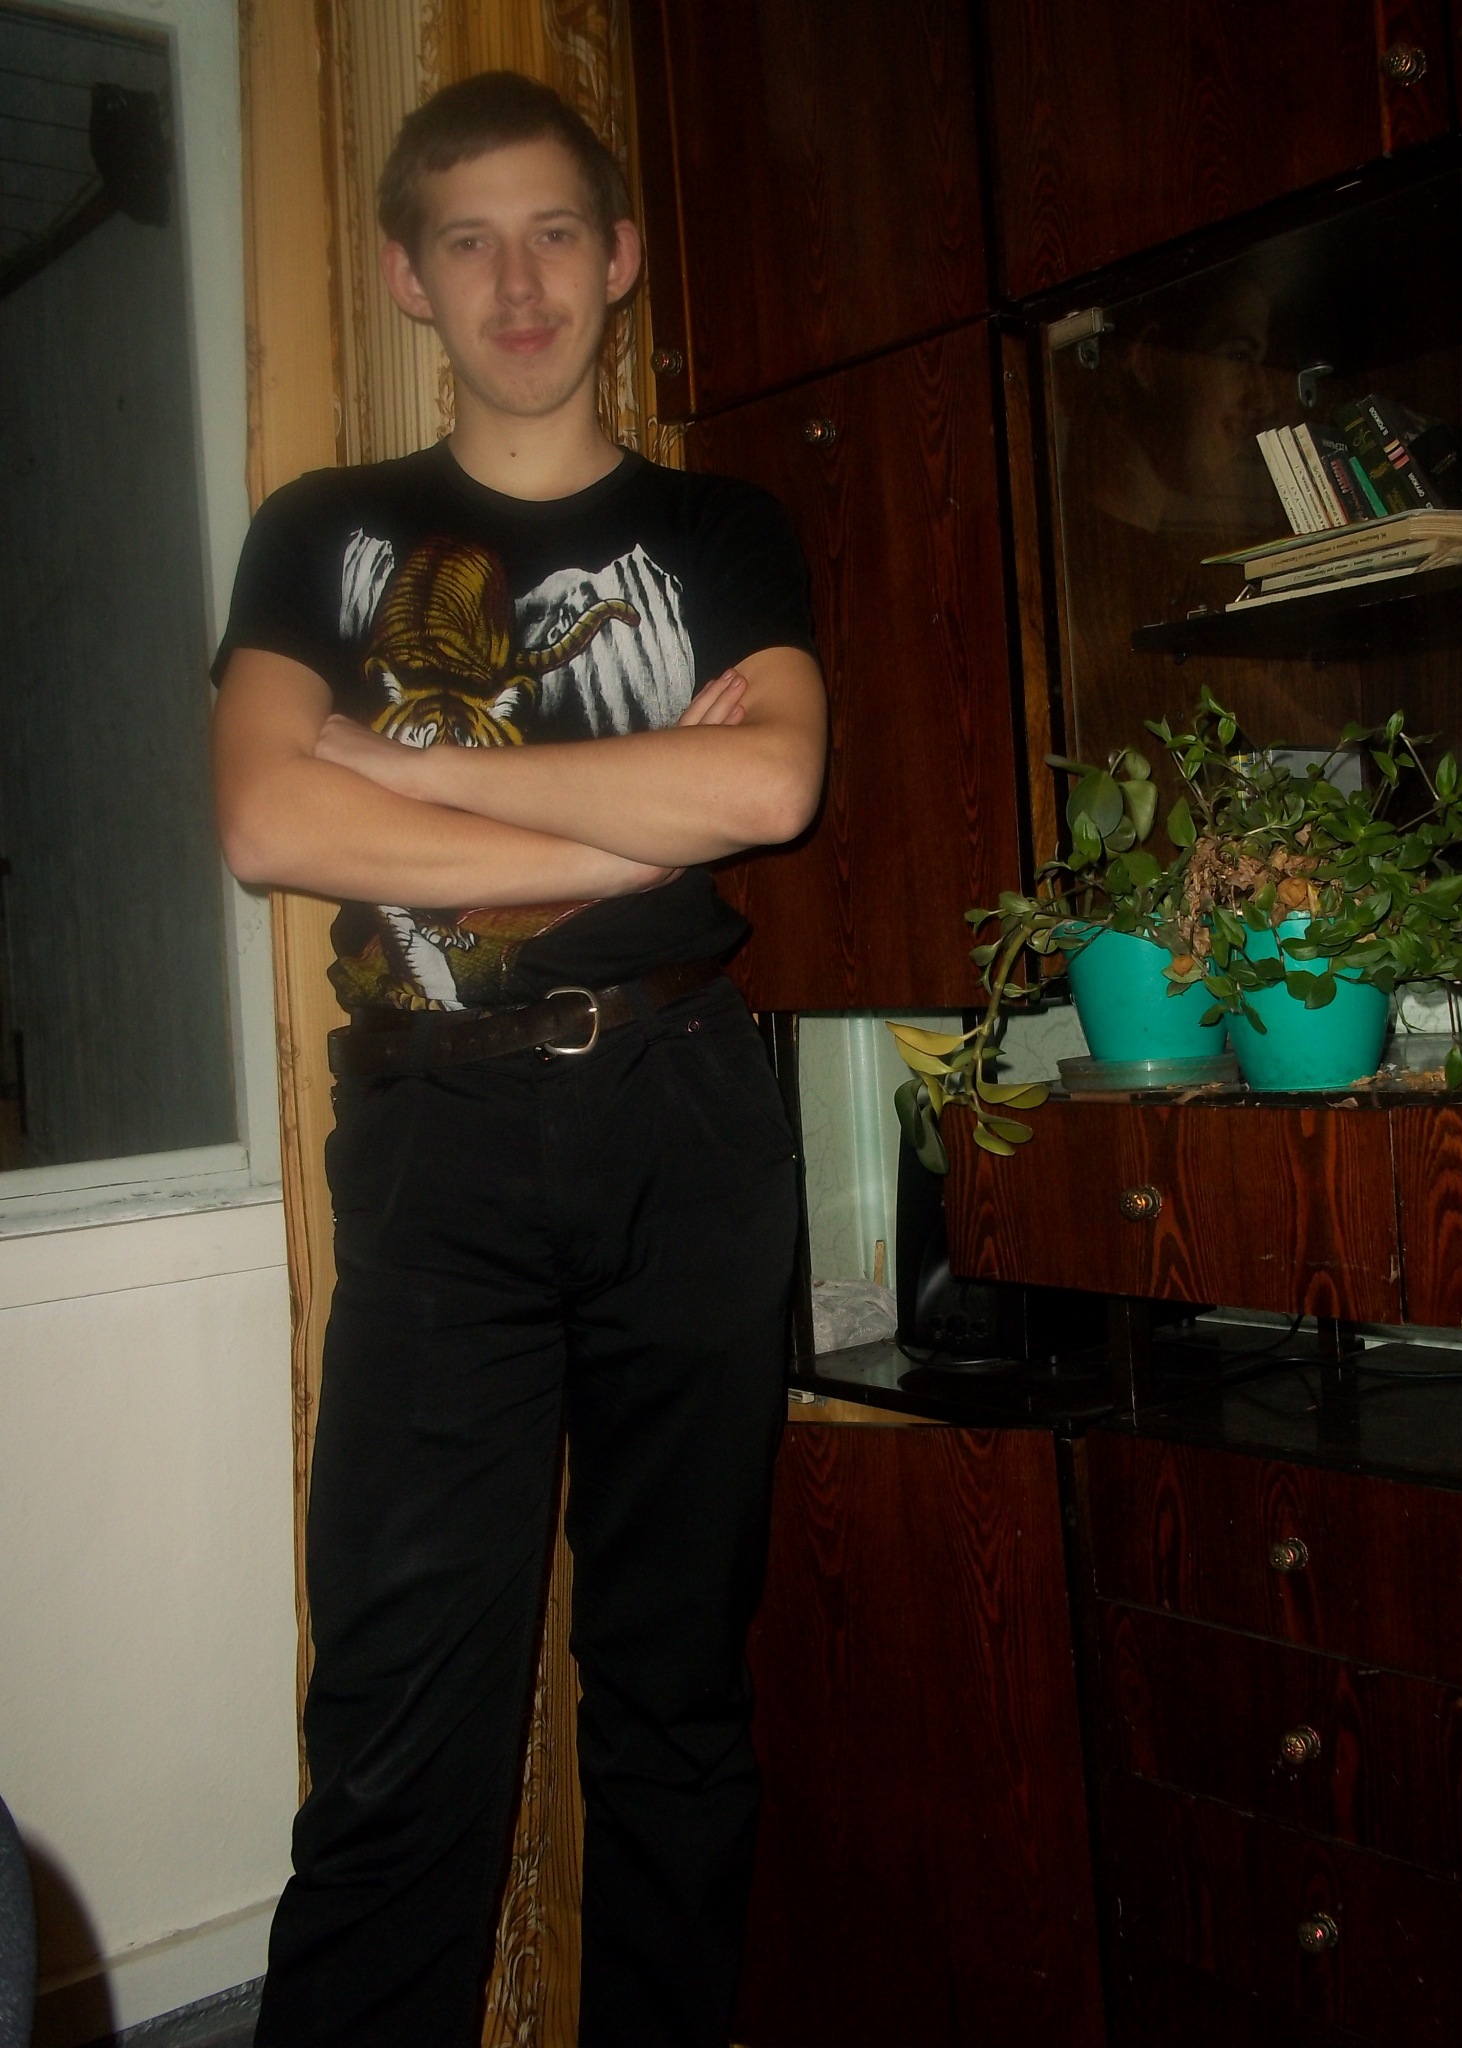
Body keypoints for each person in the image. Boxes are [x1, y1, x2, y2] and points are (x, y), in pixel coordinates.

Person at [211, 70, 826, 2048]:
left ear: (621, 256)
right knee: (400, 1717)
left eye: (556, 230)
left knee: (676, 1698)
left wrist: (403, 773)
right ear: (409, 275)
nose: (520, 279)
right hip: (435, 1133)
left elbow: (775, 784)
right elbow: (268, 820)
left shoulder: (720, 526)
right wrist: (632, 831)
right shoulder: (325, 528)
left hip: (685, 1119)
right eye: (468, 240)